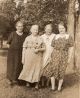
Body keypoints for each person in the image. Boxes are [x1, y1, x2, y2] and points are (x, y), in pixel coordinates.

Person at [41, 22, 74, 91]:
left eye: (62, 28)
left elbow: (71, 48)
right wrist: (50, 56)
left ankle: (59, 88)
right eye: (59, 28)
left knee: (61, 71)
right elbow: (52, 47)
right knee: (52, 70)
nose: (61, 30)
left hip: (64, 55)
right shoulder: (56, 36)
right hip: (55, 55)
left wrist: (69, 58)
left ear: (65, 28)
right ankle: (53, 87)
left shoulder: (68, 37)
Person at [18, 25, 45, 89]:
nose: (35, 31)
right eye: (34, 29)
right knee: (28, 68)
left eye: (36, 29)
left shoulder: (40, 38)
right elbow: (24, 48)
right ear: (31, 30)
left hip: (37, 57)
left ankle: (36, 84)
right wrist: (23, 58)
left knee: (37, 69)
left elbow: (44, 48)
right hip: (28, 56)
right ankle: (28, 83)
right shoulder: (27, 38)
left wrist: (38, 49)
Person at [7, 21, 27, 85]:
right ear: (16, 27)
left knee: (19, 66)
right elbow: (8, 43)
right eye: (18, 26)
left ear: (23, 27)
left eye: (21, 26)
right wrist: (10, 50)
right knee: (11, 65)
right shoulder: (12, 34)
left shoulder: (25, 35)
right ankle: (10, 79)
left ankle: (18, 79)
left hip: (21, 53)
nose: (20, 28)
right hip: (12, 54)